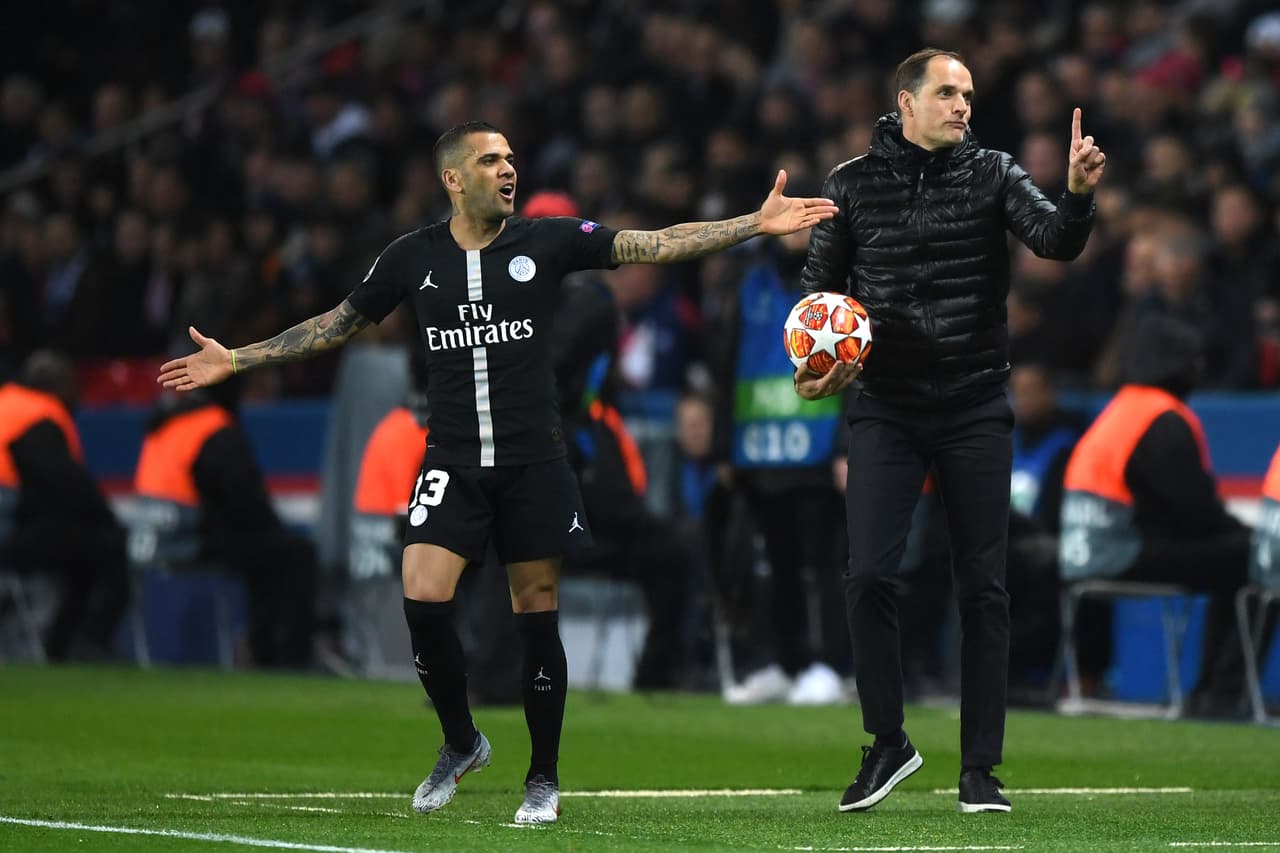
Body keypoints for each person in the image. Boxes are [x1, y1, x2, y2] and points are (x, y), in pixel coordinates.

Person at [158, 120, 837, 824]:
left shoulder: (543, 240)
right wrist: (237, 358)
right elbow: (334, 323)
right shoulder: (411, 257)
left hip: (533, 457)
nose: (507, 169)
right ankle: (461, 740)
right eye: (490, 160)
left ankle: (542, 777)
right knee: (422, 596)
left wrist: (755, 224)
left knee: (535, 611)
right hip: (451, 457)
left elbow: (654, 243)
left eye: (511, 158)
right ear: (453, 179)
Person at [794, 49, 1105, 814]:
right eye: (947, 92)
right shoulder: (850, 185)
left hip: (972, 404)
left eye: (967, 93)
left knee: (984, 588)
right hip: (886, 406)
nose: (963, 104)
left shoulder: (995, 172)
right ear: (906, 101)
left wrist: (1076, 194)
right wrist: (810, 371)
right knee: (868, 573)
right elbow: (815, 300)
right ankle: (887, 740)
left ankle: (980, 770)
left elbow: (1055, 243)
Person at [1059, 314, 1255, 719]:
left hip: (1084, 550)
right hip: (1119, 552)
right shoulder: (1162, 418)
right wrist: (1245, 535)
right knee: (1246, 556)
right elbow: (1197, 513)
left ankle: (1214, 692)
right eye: (1194, 359)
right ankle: (1222, 695)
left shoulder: (1120, 409)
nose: (1199, 369)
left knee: (1231, 555)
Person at [132, 378, 317, 668]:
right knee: (295, 553)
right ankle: (289, 659)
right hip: (189, 540)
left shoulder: (166, 423)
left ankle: (264, 651)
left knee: (264, 553)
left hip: (151, 540)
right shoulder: (214, 428)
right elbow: (247, 502)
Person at [0, 350, 128, 660]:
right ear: (56, 386)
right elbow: (67, 485)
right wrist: (108, 519)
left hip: (13, 522)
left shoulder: (7, 403)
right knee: (106, 545)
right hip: (10, 530)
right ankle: (83, 643)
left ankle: (64, 643)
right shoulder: (39, 415)